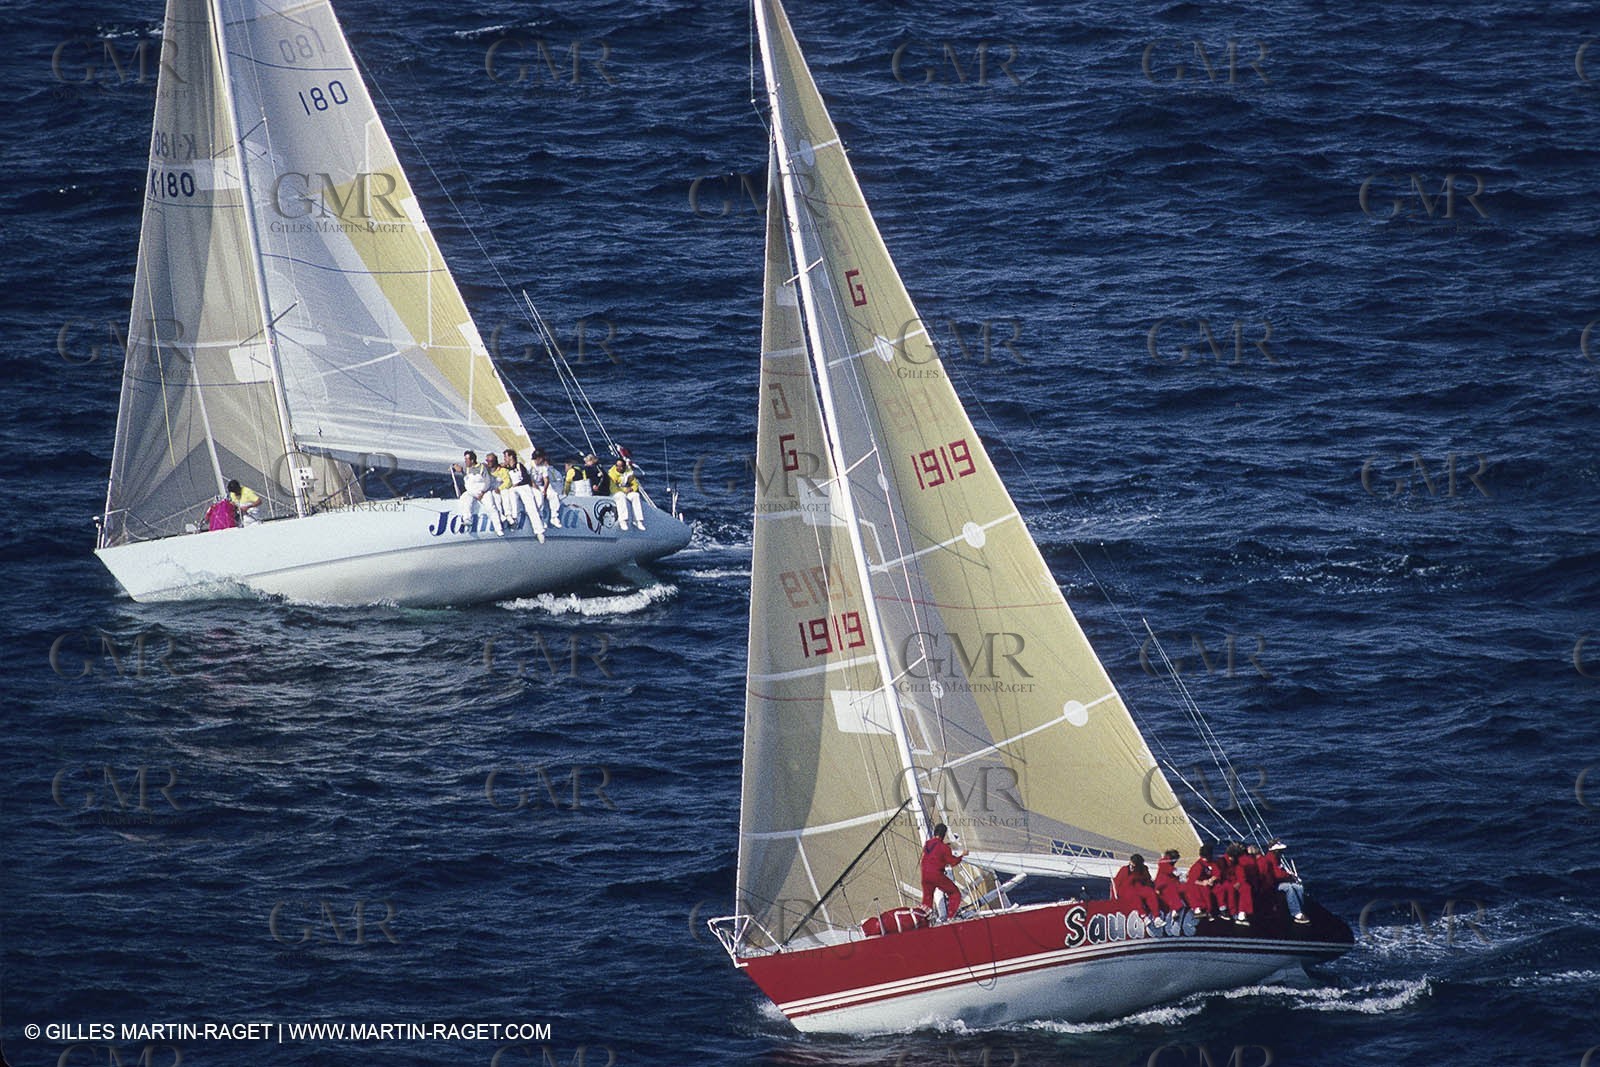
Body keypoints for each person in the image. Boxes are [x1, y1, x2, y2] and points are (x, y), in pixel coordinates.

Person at [920, 822, 967, 921]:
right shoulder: (944, 848)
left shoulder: (928, 844)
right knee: (955, 894)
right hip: (936, 875)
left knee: (926, 901)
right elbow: (952, 862)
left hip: (924, 874)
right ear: (944, 834)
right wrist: (962, 855)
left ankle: (921, 919)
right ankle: (950, 918)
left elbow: (934, 851)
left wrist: (945, 846)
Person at [452, 450, 504, 536]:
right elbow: (462, 472)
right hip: (471, 492)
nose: (465, 462)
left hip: (483, 492)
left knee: (491, 507)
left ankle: (499, 528)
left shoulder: (482, 467)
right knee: (465, 500)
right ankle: (467, 519)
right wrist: (454, 467)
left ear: (472, 460)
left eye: (467, 460)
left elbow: (487, 481)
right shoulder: (467, 469)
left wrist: (482, 492)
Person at [499, 449, 546, 543]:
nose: (504, 459)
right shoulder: (506, 468)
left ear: (511, 457)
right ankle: (513, 520)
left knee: (531, 507)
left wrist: (518, 484)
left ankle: (539, 531)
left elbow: (526, 479)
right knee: (512, 499)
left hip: (523, 487)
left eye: (506, 457)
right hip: (513, 489)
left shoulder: (519, 466)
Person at [1112, 854, 1164, 926]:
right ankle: (1143, 916)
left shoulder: (1143, 869)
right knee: (1134, 896)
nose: (1133, 867)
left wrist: (1155, 888)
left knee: (1150, 893)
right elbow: (1117, 883)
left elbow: (1148, 880)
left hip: (1139, 887)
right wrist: (1116, 896)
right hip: (1126, 889)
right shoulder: (1124, 870)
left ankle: (1156, 917)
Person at [1265, 840, 1309, 924]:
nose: (1282, 852)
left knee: (1298, 887)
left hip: (1278, 881)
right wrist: (1289, 875)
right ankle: (1296, 913)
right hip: (1272, 884)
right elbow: (1278, 874)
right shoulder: (1270, 859)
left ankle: (1301, 907)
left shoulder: (1277, 858)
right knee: (1289, 888)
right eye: (1280, 850)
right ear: (1275, 851)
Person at [1184, 843, 1225, 917]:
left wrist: (1211, 880)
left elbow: (1217, 873)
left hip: (1209, 882)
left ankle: (1222, 908)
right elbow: (1192, 879)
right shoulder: (1198, 866)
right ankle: (1203, 909)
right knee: (1202, 890)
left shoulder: (1212, 863)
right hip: (1199, 884)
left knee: (1220, 888)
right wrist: (1203, 883)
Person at [608, 451, 645, 531]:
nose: (619, 468)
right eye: (617, 466)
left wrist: (632, 489)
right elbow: (612, 487)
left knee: (635, 495)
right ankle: (623, 520)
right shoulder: (612, 474)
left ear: (624, 466)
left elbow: (635, 483)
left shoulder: (628, 472)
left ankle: (638, 520)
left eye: (621, 466)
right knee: (621, 496)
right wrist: (624, 490)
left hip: (627, 491)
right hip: (615, 492)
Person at [527, 449, 564, 529]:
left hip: (540, 486)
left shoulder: (543, 467)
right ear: (539, 458)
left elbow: (546, 479)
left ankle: (554, 517)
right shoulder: (529, 465)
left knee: (553, 495)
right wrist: (536, 488)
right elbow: (528, 478)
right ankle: (540, 519)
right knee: (539, 497)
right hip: (530, 486)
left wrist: (545, 489)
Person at [1154, 848, 1186, 916]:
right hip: (1163, 885)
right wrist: (1177, 872)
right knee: (1172, 892)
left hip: (1172, 882)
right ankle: (1175, 909)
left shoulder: (1167, 862)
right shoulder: (1163, 862)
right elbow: (1170, 870)